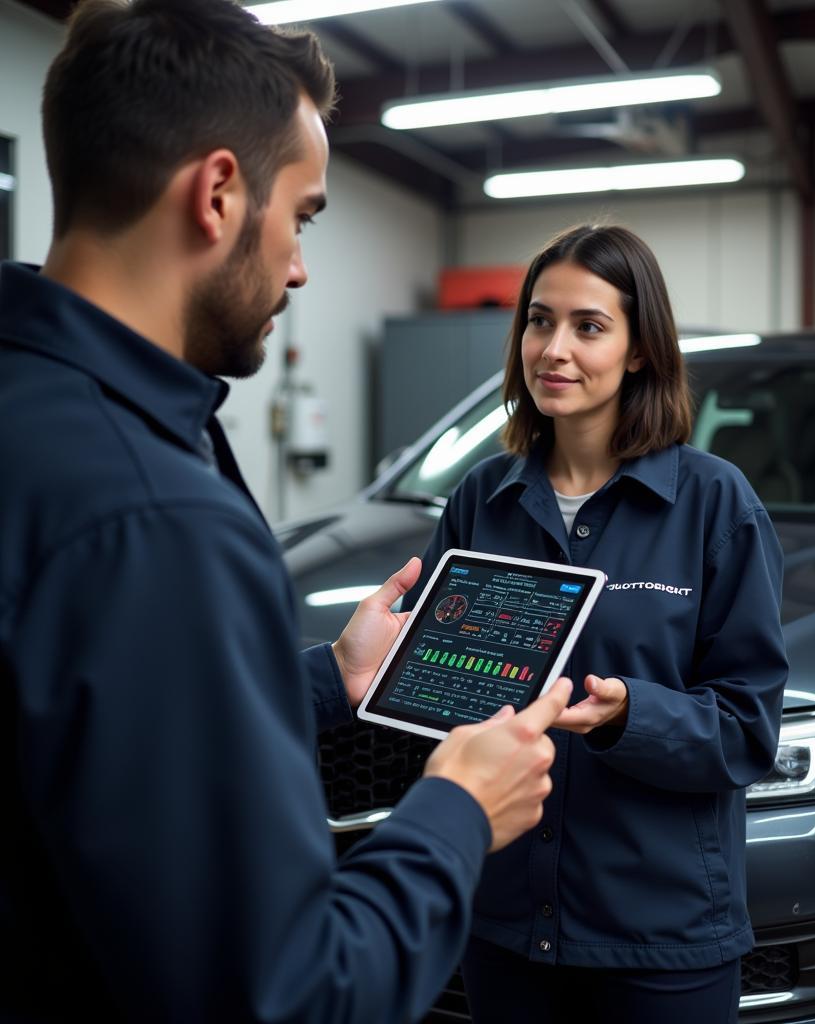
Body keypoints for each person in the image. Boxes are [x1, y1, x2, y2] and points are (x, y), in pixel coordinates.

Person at [0, 1, 572, 1021]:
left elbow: (84, 734)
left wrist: (324, 678)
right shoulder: (156, 519)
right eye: (303, 215)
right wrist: (456, 810)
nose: (302, 265)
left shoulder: (37, 411)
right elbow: (292, 996)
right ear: (218, 193)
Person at [406, 224, 789, 1023]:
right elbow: (440, 683)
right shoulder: (483, 499)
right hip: (504, 927)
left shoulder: (716, 507)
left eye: (589, 327)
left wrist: (630, 716)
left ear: (640, 349)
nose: (554, 349)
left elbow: (749, 729)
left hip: (658, 940)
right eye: (540, 321)